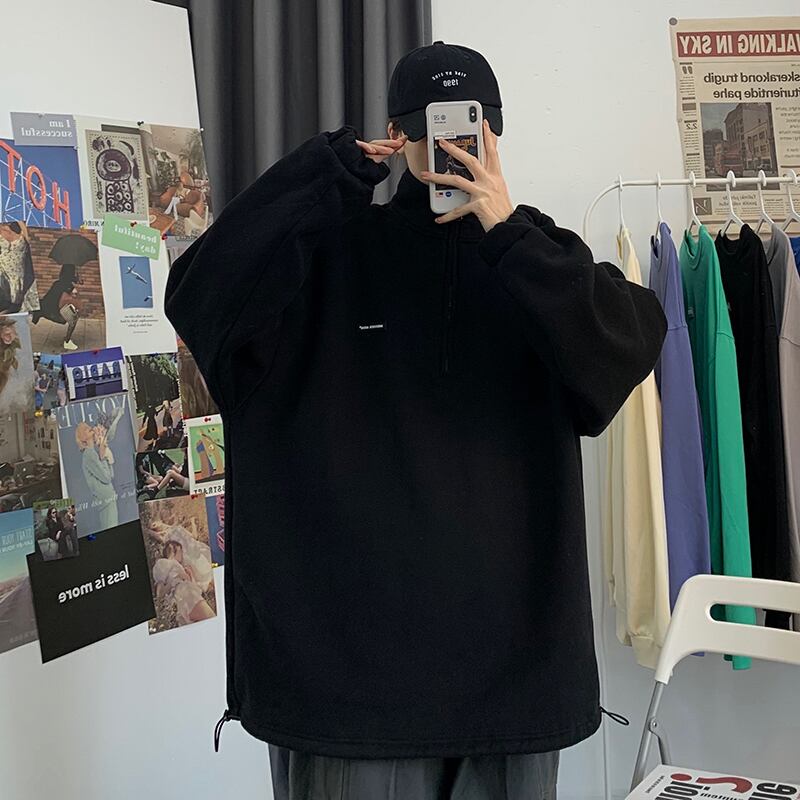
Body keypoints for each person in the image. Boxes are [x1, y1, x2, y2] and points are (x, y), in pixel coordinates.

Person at [165, 42, 667, 800]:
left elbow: (624, 348)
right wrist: (326, 172)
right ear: (400, 136)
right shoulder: (323, 255)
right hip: (346, 694)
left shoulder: (543, 263)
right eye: (434, 128)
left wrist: (506, 232)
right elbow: (198, 298)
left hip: (515, 689)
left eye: (470, 127)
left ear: (494, 133)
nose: (454, 146)